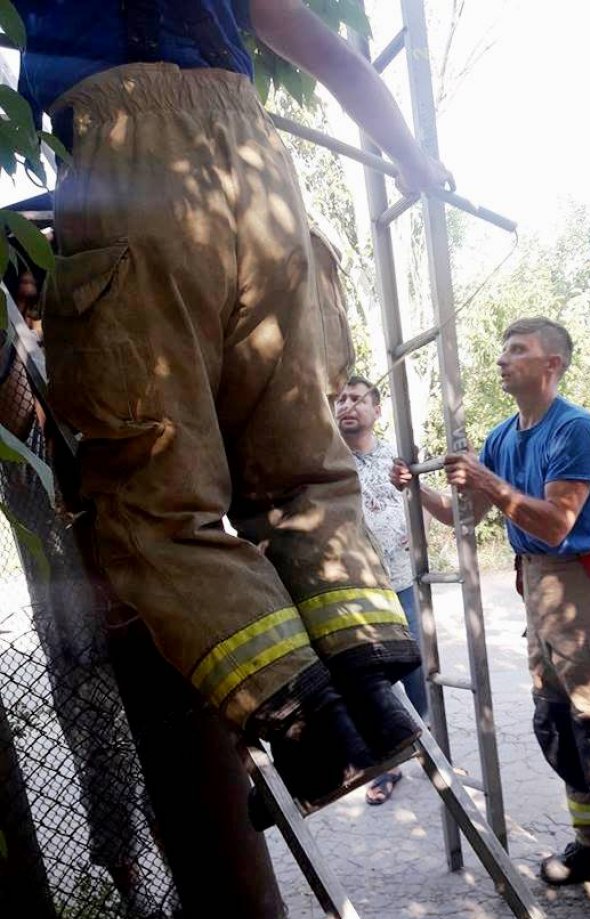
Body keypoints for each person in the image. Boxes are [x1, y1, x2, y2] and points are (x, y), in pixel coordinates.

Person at [15, 0, 455, 814]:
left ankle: (311, 734)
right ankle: (373, 695)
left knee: (158, 497)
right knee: (300, 465)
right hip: (264, 181)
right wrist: (408, 154)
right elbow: (324, 48)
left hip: (131, 172)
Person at [391, 317, 590, 919]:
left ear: (553, 365)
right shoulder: (502, 437)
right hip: (538, 586)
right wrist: (418, 490)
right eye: (503, 349)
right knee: (559, 726)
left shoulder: (576, 429)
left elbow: (556, 524)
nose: (502, 359)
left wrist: (485, 479)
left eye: (517, 350)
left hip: (583, 584)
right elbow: (465, 516)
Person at [0, 306, 160, 919]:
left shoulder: (104, 415)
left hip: (141, 622)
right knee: (108, 772)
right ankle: (136, 899)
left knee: (165, 765)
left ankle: (184, 886)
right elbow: (17, 406)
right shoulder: (23, 452)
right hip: (79, 641)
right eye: (29, 312)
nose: (40, 325)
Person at [335, 375, 429, 805]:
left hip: (402, 581)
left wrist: (417, 530)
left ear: (376, 410)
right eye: (340, 400)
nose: (346, 406)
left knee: (415, 671)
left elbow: (421, 504)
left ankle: (427, 751)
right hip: (355, 592)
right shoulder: (327, 462)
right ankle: (388, 767)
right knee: (376, 679)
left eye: (356, 399)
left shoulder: (397, 457)